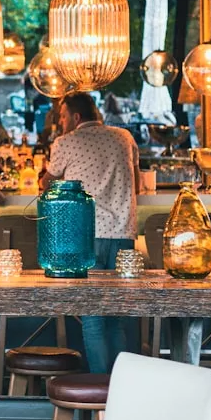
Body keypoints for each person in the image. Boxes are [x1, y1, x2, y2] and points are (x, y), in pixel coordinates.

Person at [41, 92, 140, 375]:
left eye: (61, 116)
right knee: (116, 318)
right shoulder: (124, 137)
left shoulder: (65, 142)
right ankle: (120, 387)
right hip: (123, 233)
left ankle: (99, 388)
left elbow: (49, 183)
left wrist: (44, 179)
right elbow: (138, 182)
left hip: (85, 236)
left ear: (75, 117)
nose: (59, 122)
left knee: (93, 316)